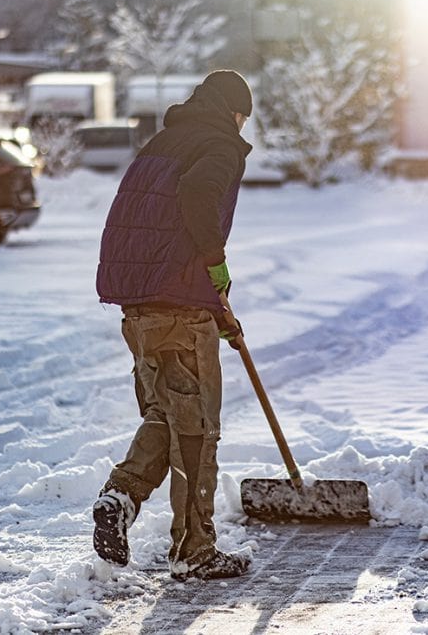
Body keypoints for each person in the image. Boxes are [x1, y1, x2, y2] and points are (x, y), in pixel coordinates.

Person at [92, 70, 253, 581]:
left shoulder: (162, 143)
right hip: (178, 307)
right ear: (232, 112)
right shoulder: (219, 145)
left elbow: (154, 225)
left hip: (137, 306)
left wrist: (214, 305)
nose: (243, 124)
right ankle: (195, 550)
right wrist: (215, 264)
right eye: (243, 116)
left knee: (165, 415)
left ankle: (121, 497)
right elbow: (199, 195)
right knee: (198, 428)